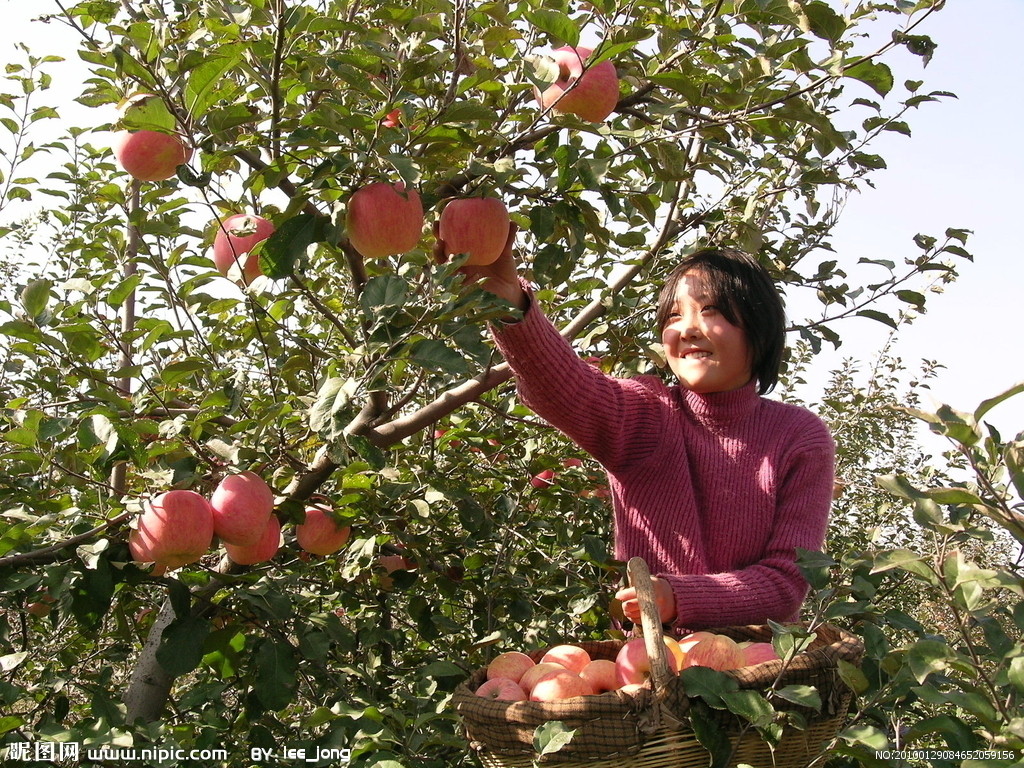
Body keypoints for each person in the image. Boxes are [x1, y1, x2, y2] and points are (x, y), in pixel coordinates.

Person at [446, 226, 835, 633]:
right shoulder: (649, 414)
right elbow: (563, 386)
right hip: (652, 671)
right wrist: (508, 301)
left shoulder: (798, 436)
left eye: (712, 310)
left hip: (757, 672)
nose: (687, 329)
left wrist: (678, 597)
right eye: (673, 316)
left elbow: (787, 581)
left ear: (758, 325)